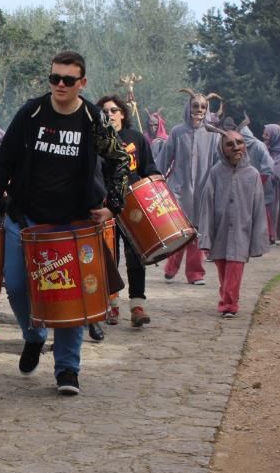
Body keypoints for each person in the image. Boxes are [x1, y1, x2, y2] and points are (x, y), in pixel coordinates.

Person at [0, 50, 129, 396]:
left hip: (74, 223)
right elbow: (3, 163)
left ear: (82, 83)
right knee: (16, 286)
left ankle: (67, 369)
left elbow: (119, 160)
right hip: (26, 217)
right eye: (54, 78)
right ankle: (33, 336)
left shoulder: (93, 119)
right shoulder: (31, 113)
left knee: (70, 298)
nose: (59, 85)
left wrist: (113, 206)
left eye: (67, 80)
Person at [90, 93, 158, 340]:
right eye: (105, 111)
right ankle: (111, 304)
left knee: (135, 256)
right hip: (104, 205)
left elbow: (150, 168)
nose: (110, 114)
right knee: (108, 255)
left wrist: (154, 185)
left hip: (133, 207)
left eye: (114, 110)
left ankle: (137, 305)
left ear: (123, 114)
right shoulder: (94, 141)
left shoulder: (136, 139)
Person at [197, 130, 269, 318]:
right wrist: (206, 235)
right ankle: (228, 297)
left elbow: (258, 209)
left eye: (239, 142)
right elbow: (207, 205)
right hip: (220, 230)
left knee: (235, 270)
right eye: (230, 144)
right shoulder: (215, 172)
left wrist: (258, 239)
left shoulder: (252, 174)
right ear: (222, 149)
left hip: (241, 231)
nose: (236, 147)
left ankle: (229, 304)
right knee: (223, 270)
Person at [156, 88, 221, 284]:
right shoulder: (178, 132)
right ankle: (171, 267)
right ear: (189, 107)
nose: (199, 110)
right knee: (180, 231)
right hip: (179, 189)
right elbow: (165, 159)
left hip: (202, 190)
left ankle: (195, 274)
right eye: (195, 106)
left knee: (196, 232)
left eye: (203, 107)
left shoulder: (213, 134)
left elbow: (219, 163)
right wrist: (156, 180)